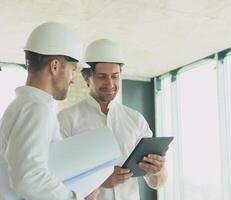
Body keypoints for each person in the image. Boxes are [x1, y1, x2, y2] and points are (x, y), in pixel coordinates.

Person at [0, 22, 96, 200]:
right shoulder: (36, 110)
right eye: (72, 70)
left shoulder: (20, 107)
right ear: (55, 66)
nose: (72, 80)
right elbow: (29, 177)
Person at [57, 39, 168, 200]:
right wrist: (98, 181)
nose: (110, 83)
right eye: (102, 76)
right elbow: (55, 179)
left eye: (115, 76)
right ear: (86, 77)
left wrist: (158, 170)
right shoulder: (66, 120)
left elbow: (157, 183)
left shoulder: (136, 120)